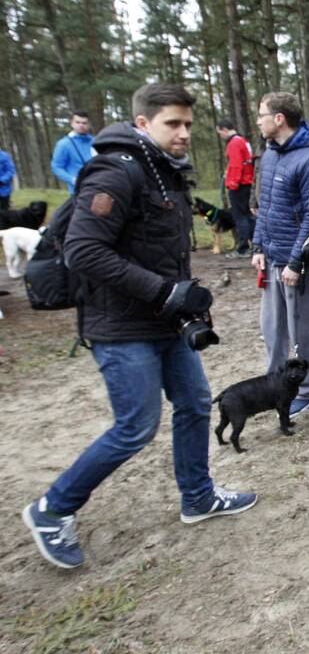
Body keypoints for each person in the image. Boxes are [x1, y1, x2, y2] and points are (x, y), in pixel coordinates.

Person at [21, 83, 257, 570]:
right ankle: (51, 509)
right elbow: (84, 250)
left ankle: (198, 496)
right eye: (173, 123)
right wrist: (165, 292)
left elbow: (159, 248)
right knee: (135, 427)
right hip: (120, 325)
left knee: (194, 404)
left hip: (165, 322)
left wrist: (188, 299)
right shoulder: (115, 170)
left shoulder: (163, 171)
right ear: (143, 123)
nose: (185, 133)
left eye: (189, 124)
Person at [251, 92, 309, 416]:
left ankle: (306, 390)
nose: (258, 121)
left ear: (279, 119)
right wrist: (257, 246)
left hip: (296, 264)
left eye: (261, 115)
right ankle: (275, 386)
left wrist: (297, 261)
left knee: (302, 330)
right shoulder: (269, 153)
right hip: (270, 257)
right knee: (272, 328)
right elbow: (265, 206)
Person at [216, 119, 257, 258]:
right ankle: (255, 246)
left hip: (239, 186)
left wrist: (232, 184)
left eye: (220, 133)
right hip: (247, 183)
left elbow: (237, 165)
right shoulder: (243, 141)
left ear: (224, 130)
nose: (220, 136)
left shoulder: (233, 143)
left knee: (240, 216)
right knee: (248, 215)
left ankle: (243, 248)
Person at [51, 110, 96, 194]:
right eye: (77, 122)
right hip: (79, 191)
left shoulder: (96, 141)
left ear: (89, 124)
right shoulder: (64, 144)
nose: (81, 125)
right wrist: (73, 180)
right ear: (72, 123)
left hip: (99, 187)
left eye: (84, 123)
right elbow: (56, 167)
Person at [0, 145, 15, 209]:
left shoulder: (5, 156)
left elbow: (11, 171)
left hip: (3, 190)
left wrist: (1, 180)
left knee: (4, 213)